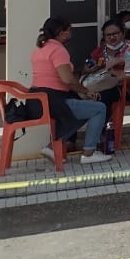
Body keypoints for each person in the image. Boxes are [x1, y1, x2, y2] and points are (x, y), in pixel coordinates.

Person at [29, 17, 112, 164]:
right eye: (69, 30)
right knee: (99, 108)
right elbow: (67, 80)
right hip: (53, 100)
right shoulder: (58, 50)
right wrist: (86, 91)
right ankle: (89, 153)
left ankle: (52, 147)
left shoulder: (40, 49)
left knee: (85, 108)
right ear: (61, 33)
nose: (71, 33)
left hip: (37, 101)